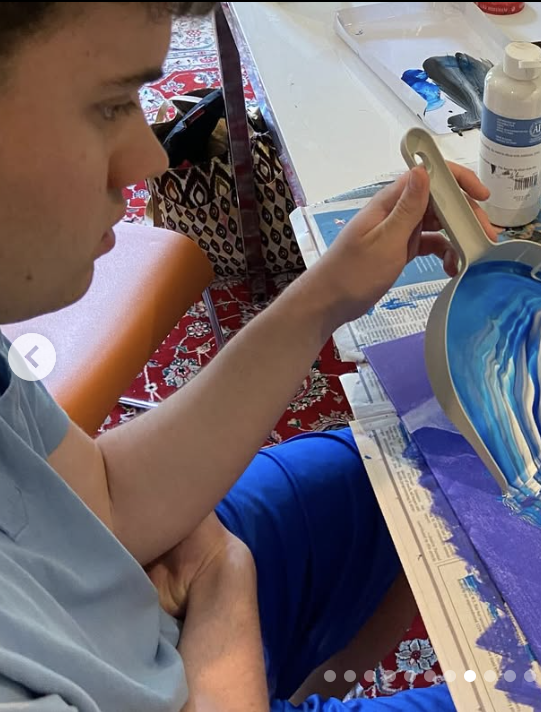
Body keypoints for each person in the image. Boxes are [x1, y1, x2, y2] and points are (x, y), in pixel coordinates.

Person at [0, 3, 498, 711]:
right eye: (109, 106)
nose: (150, 158)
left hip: (157, 615)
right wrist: (224, 581)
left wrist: (325, 295)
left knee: (414, 463)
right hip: (202, 645)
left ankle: (315, 682)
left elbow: (103, 500)